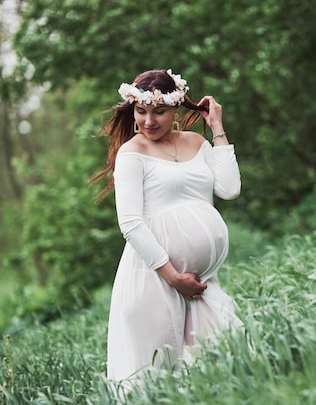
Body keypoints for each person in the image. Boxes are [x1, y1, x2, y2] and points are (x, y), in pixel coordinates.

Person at [89, 69, 242, 385]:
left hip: (201, 283)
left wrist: (217, 128)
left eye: (158, 111)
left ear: (175, 108)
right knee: (154, 377)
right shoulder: (133, 152)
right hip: (154, 277)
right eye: (141, 111)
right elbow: (130, 224)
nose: (148, 121)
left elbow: (229, 189)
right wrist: (173, 277)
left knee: (221, 366)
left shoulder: (197, 142)